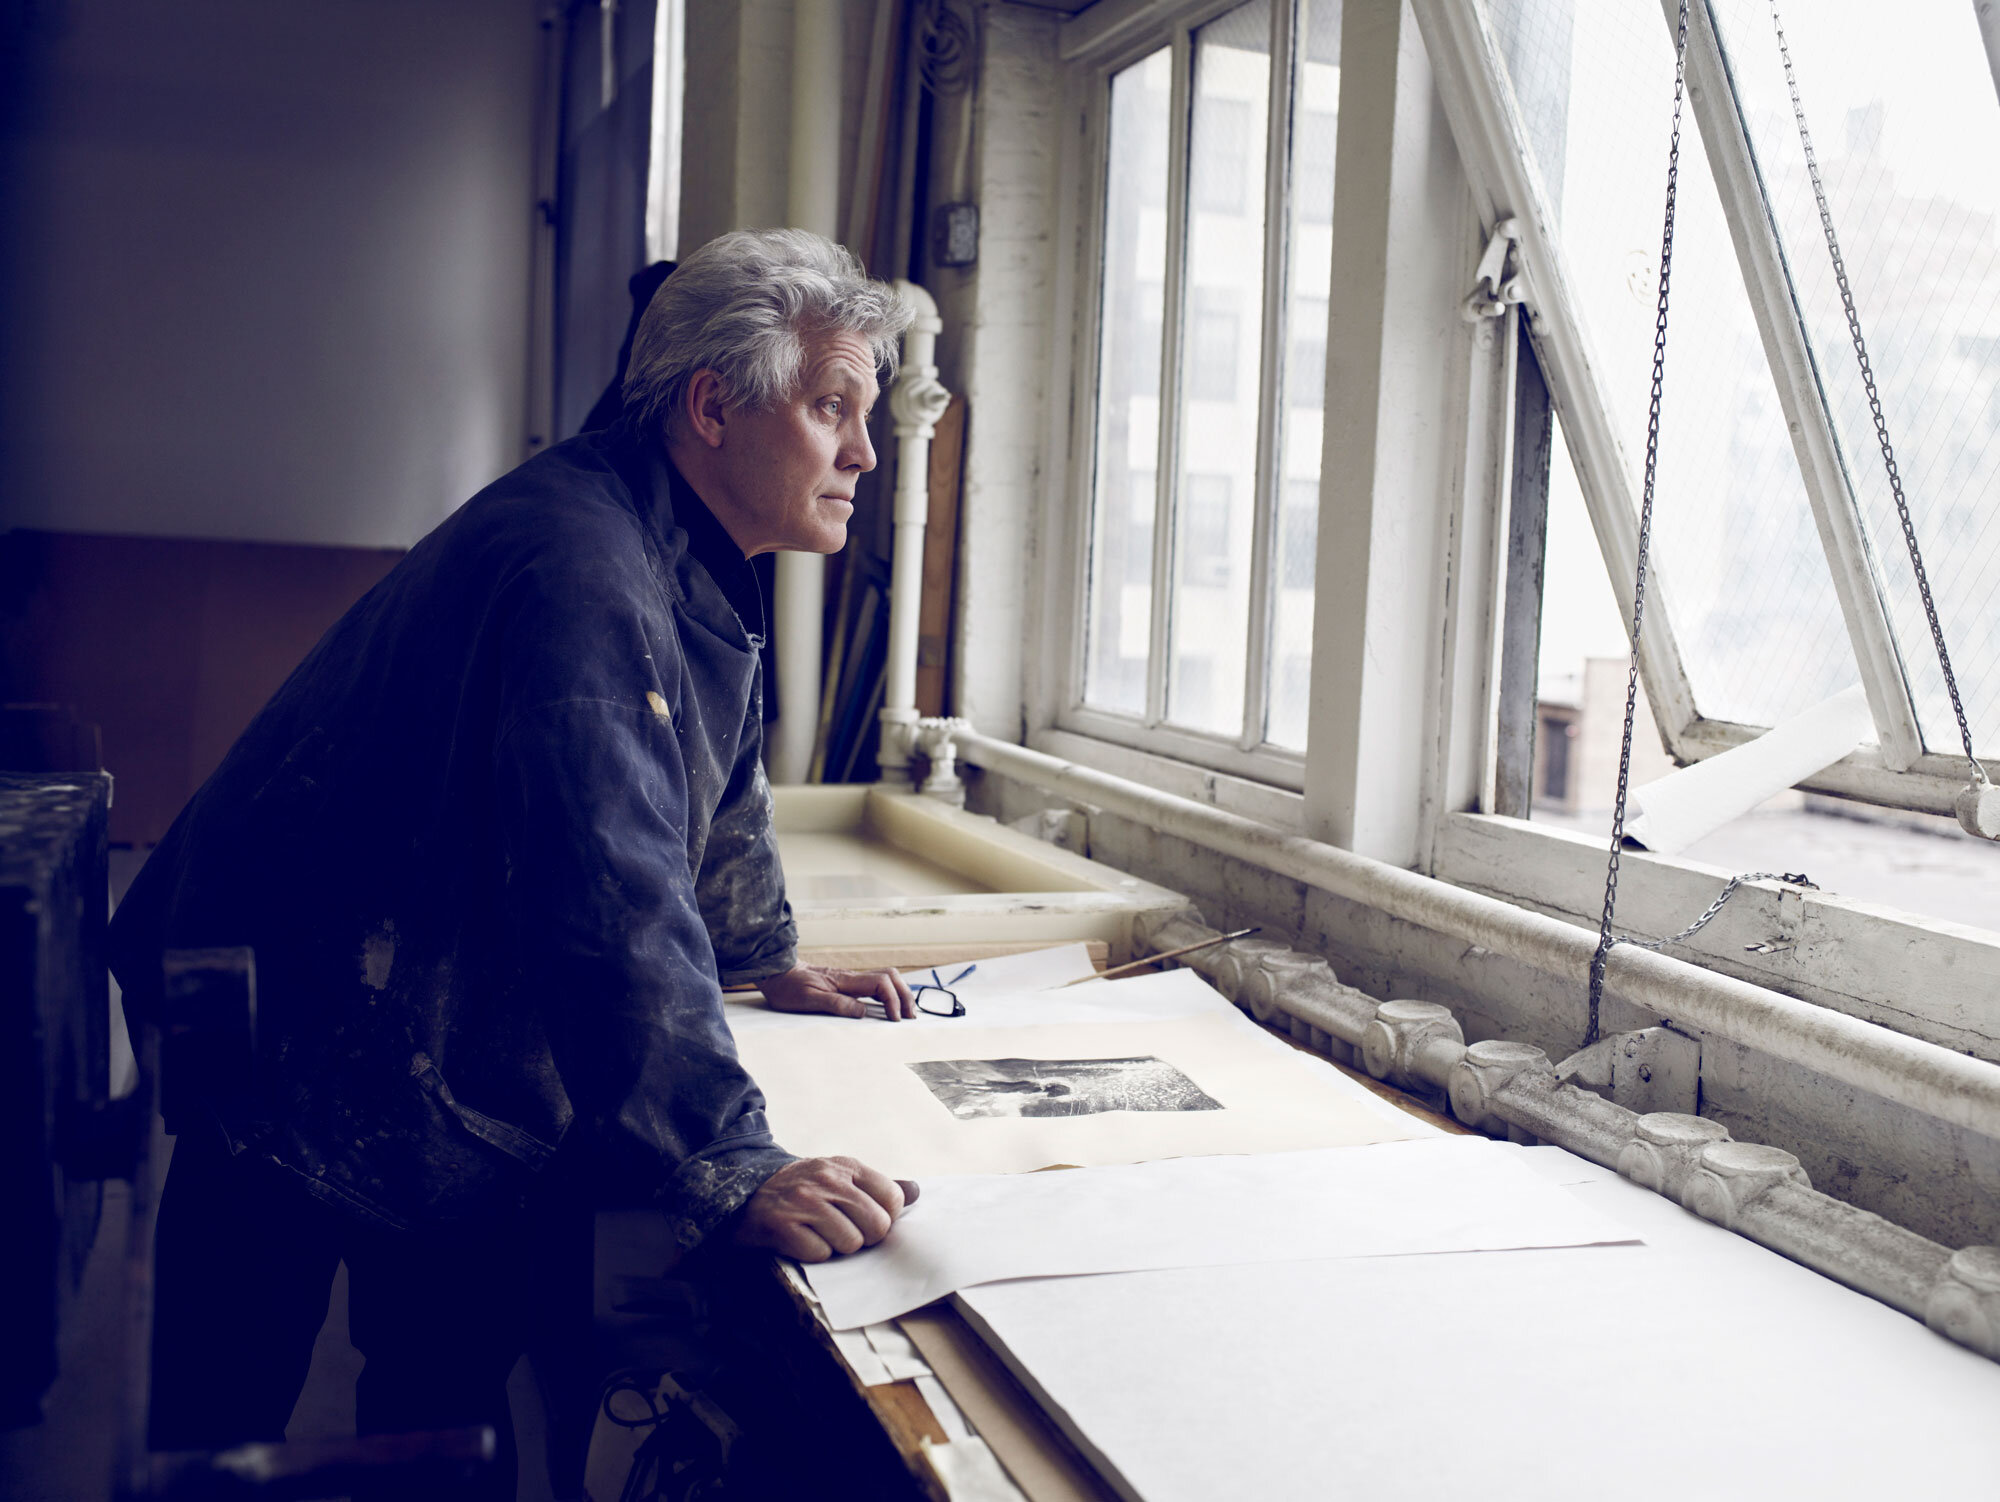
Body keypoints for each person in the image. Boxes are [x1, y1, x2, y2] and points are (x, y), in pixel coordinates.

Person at [107, 228, 920, 1493]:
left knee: (439, 1353)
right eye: (832, 409)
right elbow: (612, 887)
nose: (865, 454)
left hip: (364, 968)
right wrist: (725, 1162)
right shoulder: (582, 566)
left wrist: (762, 957)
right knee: (238, 1368)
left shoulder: (684, 545)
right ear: (713, 407)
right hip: (263, 980)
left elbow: (711, 776)